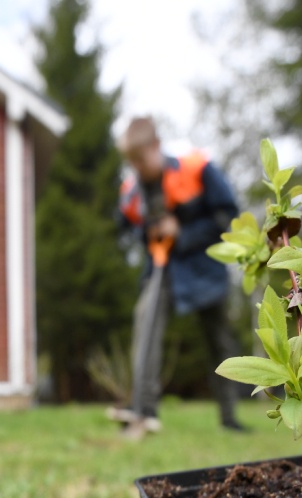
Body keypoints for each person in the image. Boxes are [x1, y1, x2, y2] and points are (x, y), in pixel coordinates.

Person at [110, 116, 246, 438]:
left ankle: (230, 417)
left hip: (205, 268)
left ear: (156, 146)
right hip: (163, 270)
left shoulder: (197, 170)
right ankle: (143, 412)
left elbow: (228, 216)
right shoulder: (134, 190)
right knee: (145, 324)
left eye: (141, 160)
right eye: (132, 163)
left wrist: (182, 231)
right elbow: (123, 226)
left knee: (219, 342)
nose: (138, 168)